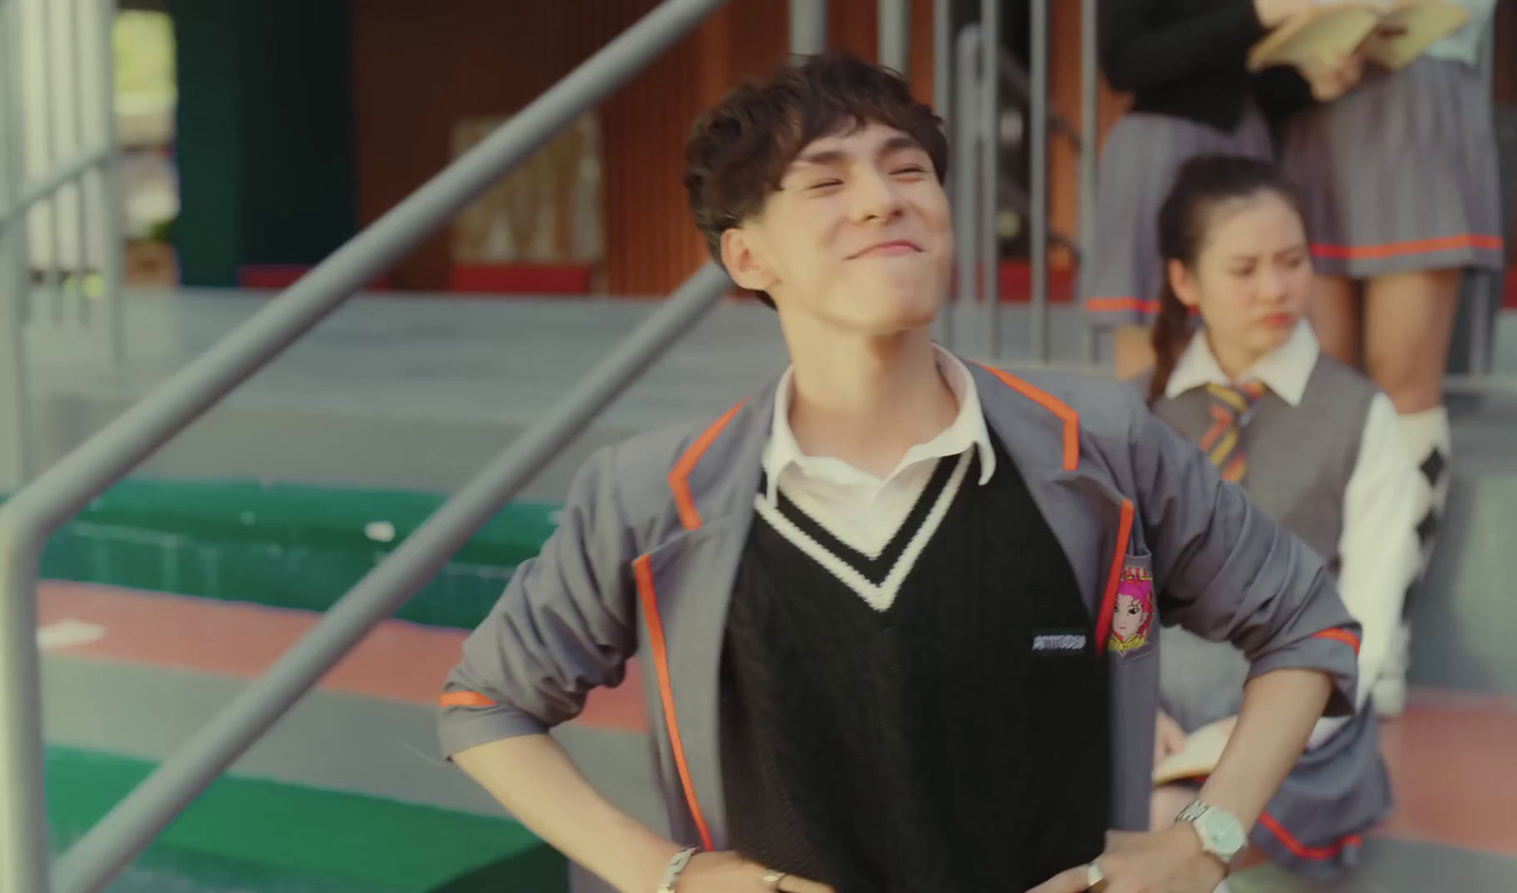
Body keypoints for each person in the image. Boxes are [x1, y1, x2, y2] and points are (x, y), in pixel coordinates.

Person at [437, 54, 1361, 893]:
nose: (883, 199)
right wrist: (666, 874)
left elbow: (1307, 622)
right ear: (746, 254)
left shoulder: (1102, 441)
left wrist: (1206, 837)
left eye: (908, 168)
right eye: (827, 181)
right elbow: (485, 703)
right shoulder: (653, 494)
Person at [1140, 154, 1418, 879]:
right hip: (1155, 704)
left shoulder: (1361, 415)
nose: (1276, 288)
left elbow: (1371, 617)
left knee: (1157, 824)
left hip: (1300, 708)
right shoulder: (1139, 413)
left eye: (1292, 261)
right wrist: (1125, 710)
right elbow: (1107, 588)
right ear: (1184, 281)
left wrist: (1263, 727)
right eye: (1244, 268)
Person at [1279, 0, 1502, 714]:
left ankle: (1379, 639)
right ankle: (1309, 622)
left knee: (1404, 385)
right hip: (1317, 98)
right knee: (1323, 383)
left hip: (1420, 85)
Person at [1082, 0, 1364, 379]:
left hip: (1246, 146)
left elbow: (1251, 81)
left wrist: (1315, 82)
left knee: (1257, 349)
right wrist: (1259, 13)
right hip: (1163, 149)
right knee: (1155, 359)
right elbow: (1124, 63)